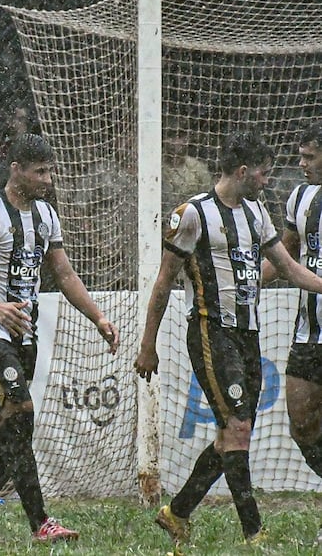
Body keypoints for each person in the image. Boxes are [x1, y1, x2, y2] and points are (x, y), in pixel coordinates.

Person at [134, 127, 322, 551]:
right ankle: (254, 532)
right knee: (237, 430)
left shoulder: (256, 214)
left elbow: (289, 268)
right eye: (262, 174)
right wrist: (149, 344)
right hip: (209, 331)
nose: (267, 180)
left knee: (231, 435)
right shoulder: (193, 214)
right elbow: (163, 282)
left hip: (248, 335)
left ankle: (177, 512)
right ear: (242, 171)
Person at [0, 133, 120, 545]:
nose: (47, 179)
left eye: (50, 171)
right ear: (16, 170)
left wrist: (97, 316)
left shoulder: (45, 215)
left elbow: (63, 274)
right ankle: (41, 523)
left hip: (23, 336)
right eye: (39, 171)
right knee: (20, 410)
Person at [261, 123, 322, 546]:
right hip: (310, 332)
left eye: (310, 158)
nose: (301, 166)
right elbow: (286, 256)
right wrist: (243, 282)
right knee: (301, 425)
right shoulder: (300, 197)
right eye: (300, 157)